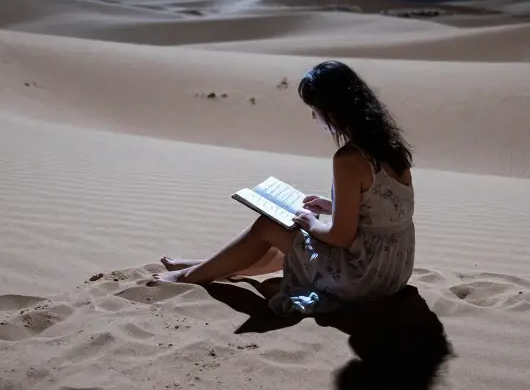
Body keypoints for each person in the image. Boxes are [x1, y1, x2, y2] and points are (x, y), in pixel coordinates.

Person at [153, 60, 416, 315]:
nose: (314, 117)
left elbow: (341, 237)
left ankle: (187, 277)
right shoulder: (391, 148)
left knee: (268, 226)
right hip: (392, 272)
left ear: (332, 109)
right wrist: (332, 206)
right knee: (286, 246)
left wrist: (312, 222)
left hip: (363, 278)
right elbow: (383, 209)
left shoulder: (350, 158)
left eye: (315, 109)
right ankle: (208, 266)